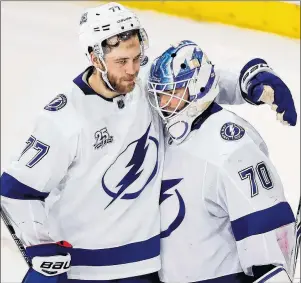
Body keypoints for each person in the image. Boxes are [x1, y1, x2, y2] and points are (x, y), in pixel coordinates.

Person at [0, 2, 297, 283]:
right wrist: (39, 247)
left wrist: (250, 78)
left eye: (137, 58)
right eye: (121, 61)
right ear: (94, 57)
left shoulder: (143, 86)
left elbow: (194, 80)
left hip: (145, 270)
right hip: (82, 271)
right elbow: (16, 190)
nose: (132, 70)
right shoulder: (64, 118)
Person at [147, 40, 297, 283]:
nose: (161, 104)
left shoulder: (232, 146)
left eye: (171, 94)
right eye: (159, 94)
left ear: (196, 89)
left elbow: (266, 236)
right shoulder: (166, 133)